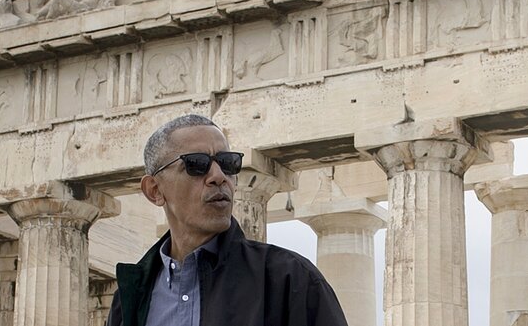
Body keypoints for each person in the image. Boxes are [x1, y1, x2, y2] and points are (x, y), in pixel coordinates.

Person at [107, 114, 348, 326]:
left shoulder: (292, 280)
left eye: (227, 163)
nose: (218, 176)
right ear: (155, 190)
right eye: (197, 164)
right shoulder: (129, 299)